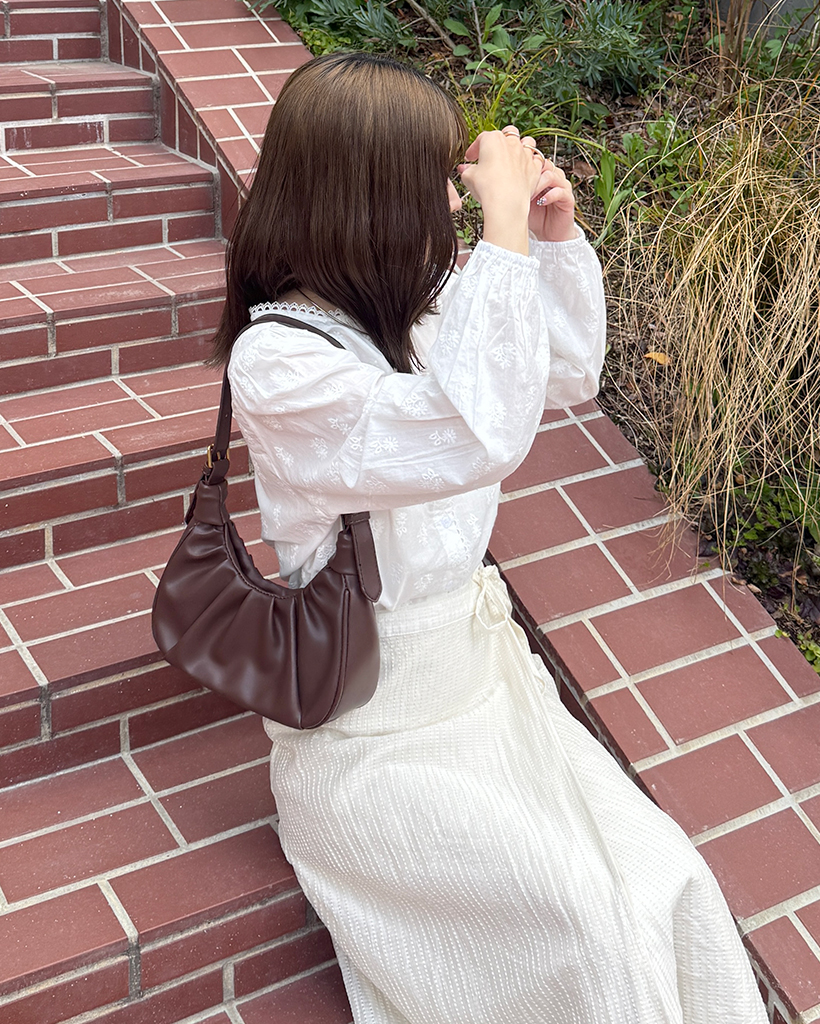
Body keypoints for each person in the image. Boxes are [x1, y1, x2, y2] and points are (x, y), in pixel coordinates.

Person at [212, 51, 768, 1024]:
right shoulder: (280, 361)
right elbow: (473, 435)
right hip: (373, 728)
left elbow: (560, 376)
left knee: (664, 877)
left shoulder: (418, 306)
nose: (453, 198)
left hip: (488, 686)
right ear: (372, 190)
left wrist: (545, 237)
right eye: (436, 175)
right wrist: (502, 235)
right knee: (588, 926)